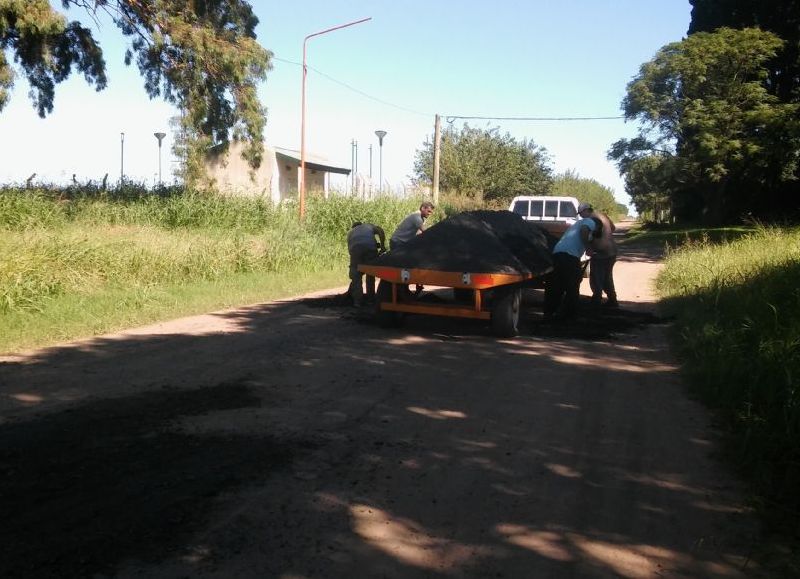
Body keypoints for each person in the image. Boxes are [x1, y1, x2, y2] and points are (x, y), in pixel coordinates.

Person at [543, 202, 599, 320]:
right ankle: (569, 314)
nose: (580, 215)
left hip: (557, 253)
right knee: (572, 285)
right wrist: (588, 248)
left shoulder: (578, 223)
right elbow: (584, 231)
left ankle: (549, 312)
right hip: (569, 256)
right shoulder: (590, 221)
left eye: (581, 212)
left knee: (556, 284)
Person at [347, 222, 386, 307]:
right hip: (370, 247)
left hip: (355, 249)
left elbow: (350, 250)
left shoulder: (350, 233)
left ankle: (357, 301)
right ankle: (370, 300)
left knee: (356, 276)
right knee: (370, 273)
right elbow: (380, 231)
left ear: (353, 227)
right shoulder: (368, 226)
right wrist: (382, 245)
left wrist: (356, 266)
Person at [588, 209, 618, 307]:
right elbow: (613, 228)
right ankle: (612, 299)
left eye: (580, 213)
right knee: (607, 276)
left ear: (585, 211)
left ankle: (597, 300)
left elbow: (589, 234)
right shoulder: (603, 215)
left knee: (596, 276)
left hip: (601, 253)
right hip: (612, 251)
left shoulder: (591, 219)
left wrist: (596, 240)